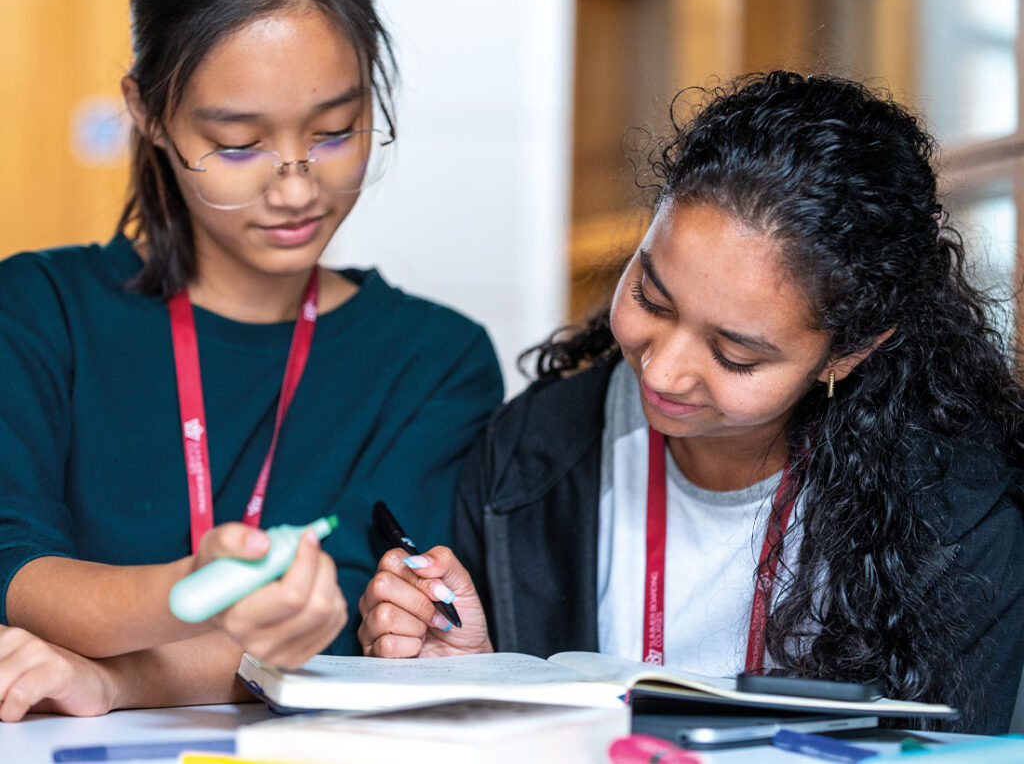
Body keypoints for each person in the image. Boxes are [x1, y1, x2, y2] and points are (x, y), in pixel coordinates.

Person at [358, 71, 1024, 734]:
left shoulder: (958, 523)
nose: (666, 372)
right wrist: (474, 685)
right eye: (651, 297)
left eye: (735, 354)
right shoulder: (527, 462)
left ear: (848, 353)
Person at [0, 0, 502, 721]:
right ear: (150, 115)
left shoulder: (436, 361)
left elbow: (342, 623)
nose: (297, 188)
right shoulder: (37, 310)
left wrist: (118, 681)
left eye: (335, 132)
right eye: (238, 143)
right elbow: (14, 569)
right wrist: (194, 592)